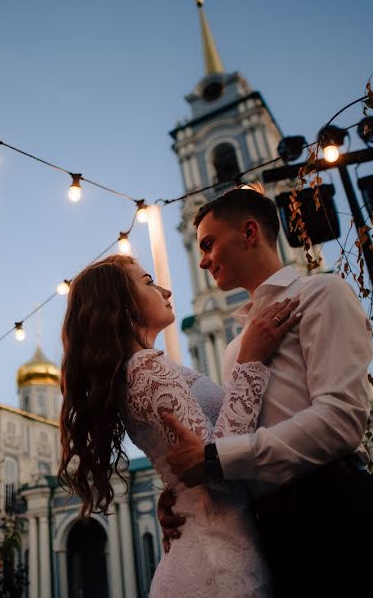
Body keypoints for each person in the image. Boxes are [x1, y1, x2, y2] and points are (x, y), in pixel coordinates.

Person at [159, 186, 373, 597]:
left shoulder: (321, 293)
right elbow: (234, 442)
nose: (203, 260)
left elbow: (341, 421)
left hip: (338, 514)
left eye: (209, 244)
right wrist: (185, 499)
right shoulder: (236, 347)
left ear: (249, 232)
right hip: (276, 530)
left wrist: (214, 459)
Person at [58, 253, 301, 597]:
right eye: (148, 282)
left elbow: (197, 461)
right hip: (218, 566)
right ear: (123, 306)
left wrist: (176, 495)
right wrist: (250, 360)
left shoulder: (138, 373)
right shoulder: (148, 370)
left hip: (216, 549)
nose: (165, 291)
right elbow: (215, 467)